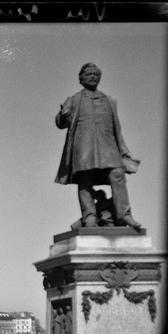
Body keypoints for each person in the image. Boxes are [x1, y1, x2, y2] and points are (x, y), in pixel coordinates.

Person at [55, 63, 142, 229]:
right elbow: (61, 123)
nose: (93, 76)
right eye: (89, 74)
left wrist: (123, 151)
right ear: (81, 79)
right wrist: (62, 115)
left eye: (96, 74)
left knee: (117, 173)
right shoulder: (73, 100)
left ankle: (124, 215)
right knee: (85, 178)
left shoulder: (109, 101)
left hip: (108, 146)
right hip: (84, 145)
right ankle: (89, 216)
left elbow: (117, 129)